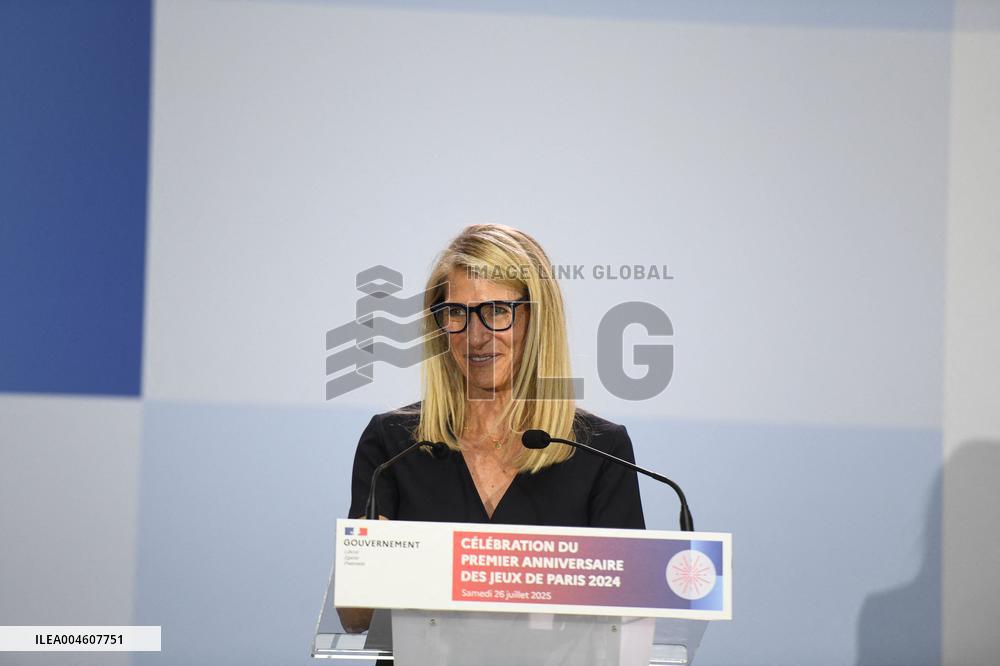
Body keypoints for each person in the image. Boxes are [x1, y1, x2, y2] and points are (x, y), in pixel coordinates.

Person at [337, 224, 644, 633]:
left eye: (497, 311)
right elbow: (356, 620)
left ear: (537, 318)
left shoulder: (598, 450)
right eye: (457, 314)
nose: (475, 336)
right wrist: (371, 567)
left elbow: (628, 618)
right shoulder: (394, 446)